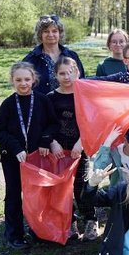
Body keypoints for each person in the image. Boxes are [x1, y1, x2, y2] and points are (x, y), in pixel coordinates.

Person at [0, 62, 59, 250]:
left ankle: (39, 231)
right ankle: (14, 234)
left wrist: (45, 140)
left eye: (27, 79)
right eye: (18, 80)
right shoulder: (7, 104)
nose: (23, 83)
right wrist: (15, 148)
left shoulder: (42, 100)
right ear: (12, 81)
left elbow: (53, 124)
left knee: (39, 195)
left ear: (34, 80)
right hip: (13, 159)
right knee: (14, 195)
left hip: (37, 157)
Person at [47, 57, 96, 241]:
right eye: (62, 73)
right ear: (56, 75)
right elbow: (47, 124)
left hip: (80, 148)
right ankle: (70, 220)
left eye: (70, 72)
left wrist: (81, 143)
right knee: (63, 187)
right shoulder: (51, 98)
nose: (66, 76)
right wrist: (53, 143)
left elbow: (91, 121)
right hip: (59, 150)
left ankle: (90, 219)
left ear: (77, 72)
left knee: (81, 186)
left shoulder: (84, 95)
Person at [22, 14, 85, 94]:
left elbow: (82, 82)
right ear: (40, 34)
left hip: (69, 104)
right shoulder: (31, 59)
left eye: (54, 31)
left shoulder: (72, 56)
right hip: (42, 105)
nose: (50, 35)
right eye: (46, 31)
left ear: (60, 33)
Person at [91, 123, 129, 188]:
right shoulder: (115, 154)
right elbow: (98, 168)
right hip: (118, 194)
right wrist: (108, 142)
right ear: (125, 141)